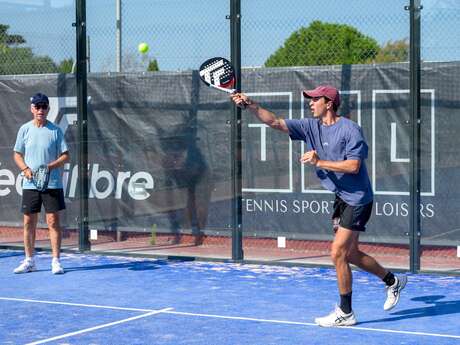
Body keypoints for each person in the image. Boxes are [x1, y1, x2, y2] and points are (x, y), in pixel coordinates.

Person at [231, 85, 407, 327]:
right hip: (341, 197)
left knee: (337, 252)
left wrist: (319, 161)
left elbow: (354, 166)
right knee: (351, 254)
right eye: (310, 99)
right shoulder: (310, 126)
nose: (310, 103)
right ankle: (392, 282)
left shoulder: (350, 130)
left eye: (315, 99)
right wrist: (250, 105)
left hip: (358, 199)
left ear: (329, 103)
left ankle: (345, 312)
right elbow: (275, 122)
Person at [13, 93, 70, 275]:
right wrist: (25, 169)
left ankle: (56, 261)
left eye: (44, 106)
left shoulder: (55, 130)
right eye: (37, 107)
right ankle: (30, 260)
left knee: (53, 221)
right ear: (32, 109)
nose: (40, 110)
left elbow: (65, 155)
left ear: (48, 109)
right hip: (30, 184)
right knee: (28, 222)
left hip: (51, 184)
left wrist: (49, 167)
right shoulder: (24, 129)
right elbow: (17, 154)